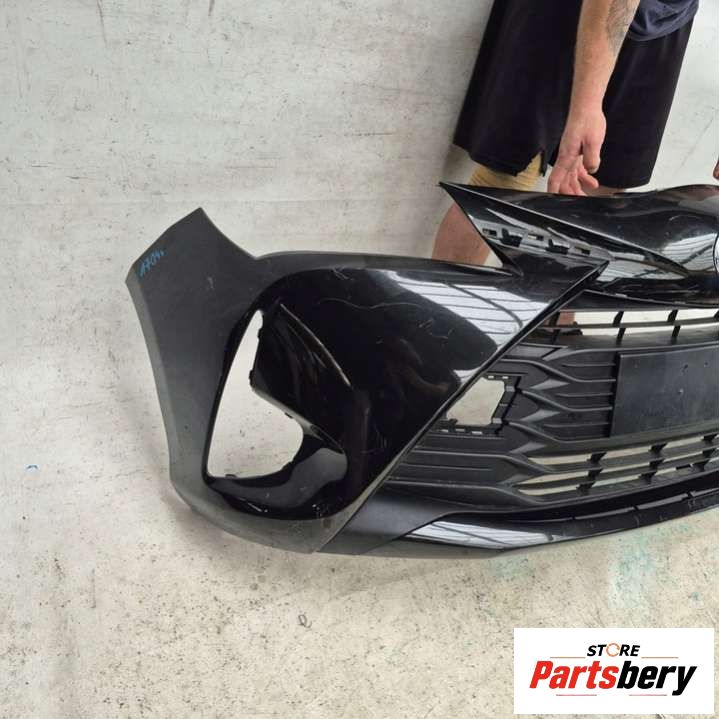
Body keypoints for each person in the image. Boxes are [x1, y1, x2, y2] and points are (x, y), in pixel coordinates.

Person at [433, 0, 716, 265]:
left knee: (601, 195)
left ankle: (553, 302)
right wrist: (586, 105)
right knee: (502, 187)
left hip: (665, 17)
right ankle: (440, 301)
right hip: (566, 11)